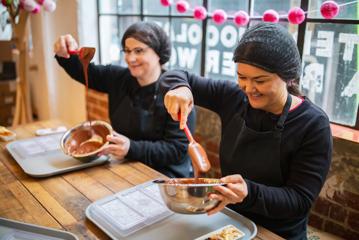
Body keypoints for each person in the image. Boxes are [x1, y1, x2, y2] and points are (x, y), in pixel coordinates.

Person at [161, 22, 332, 239]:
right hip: (229, 223)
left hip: (277, 233)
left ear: (288, 77)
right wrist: (180, 88)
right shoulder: (233, 98)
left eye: (260, 80)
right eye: (242, 77)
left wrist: (249, 192)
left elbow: (299, 201)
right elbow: (175, 74)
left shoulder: (313, 124)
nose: (249, 88)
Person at [53, 22, 196, 178]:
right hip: (126, 166)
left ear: (159, 52)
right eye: (127, 51)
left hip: (165, 176)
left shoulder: (176, 93)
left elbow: (176, 150)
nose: (130, 58)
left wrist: (131, 147)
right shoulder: (119, 78)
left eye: (138, 51)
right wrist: (65, 53)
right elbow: (83, 71)